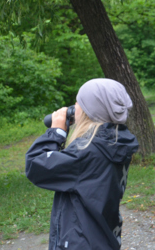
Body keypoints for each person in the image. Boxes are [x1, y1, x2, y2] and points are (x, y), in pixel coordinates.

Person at [25, 78, 139, 250]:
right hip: (104, 237)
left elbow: (35, 165)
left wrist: (55, 132)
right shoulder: (117, 142)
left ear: (88, 112)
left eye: (78, 103)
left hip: (80, 242)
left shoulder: (86, 152)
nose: (74, 107)